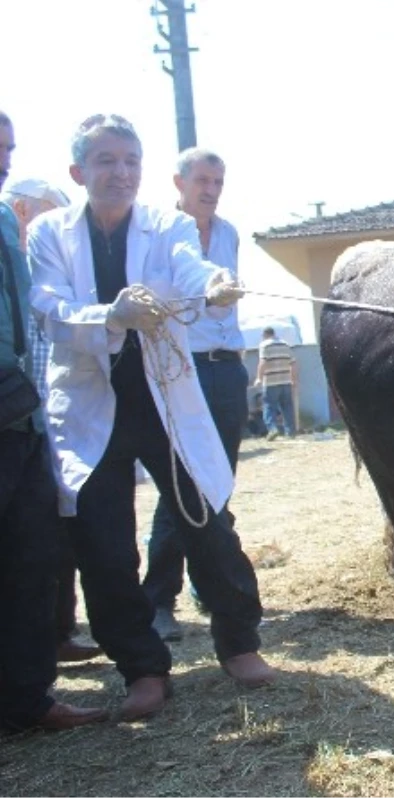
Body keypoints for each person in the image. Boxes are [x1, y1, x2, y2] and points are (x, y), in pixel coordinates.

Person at [27, 114, 275, 723]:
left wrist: (214, 282)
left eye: (131, 160)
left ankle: (239, 643)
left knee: (204, 515)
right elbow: (50, 310)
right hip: (91, 399)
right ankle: (142, 667)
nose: (122, 173)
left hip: (161, 389)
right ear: (78, 172)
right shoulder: (50, 235)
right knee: (104, 541)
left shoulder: (166, 224)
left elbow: (189, 267)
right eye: (107, 161)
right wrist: (111, 315)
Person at [0, 109, 107, 732]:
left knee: (30, 561)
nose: (5, 158)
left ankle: (26, 699)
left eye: (9, 147)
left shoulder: (7, 231)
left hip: (19, 417)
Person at [142, 148, 248, 642]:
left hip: (226, 368)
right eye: (203, 179)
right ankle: (158, 599)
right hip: (182, 370)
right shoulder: (159, 232)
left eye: (218, 181)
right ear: (179, 182)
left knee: (218, 482)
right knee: (181, 483)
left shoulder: (228, 234)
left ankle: (213, 583)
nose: (211, 189)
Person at [255, 327, 296, 439]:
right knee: (287, 407)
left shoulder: (264, 345)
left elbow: (263, 361)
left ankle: (272, 429)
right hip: (286, 380)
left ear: (264, 335)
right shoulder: (286, 344)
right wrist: (293, 379)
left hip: (270, 382)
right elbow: (293, 363)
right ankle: (290, 432)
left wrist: (258, 378)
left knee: (269, 406)